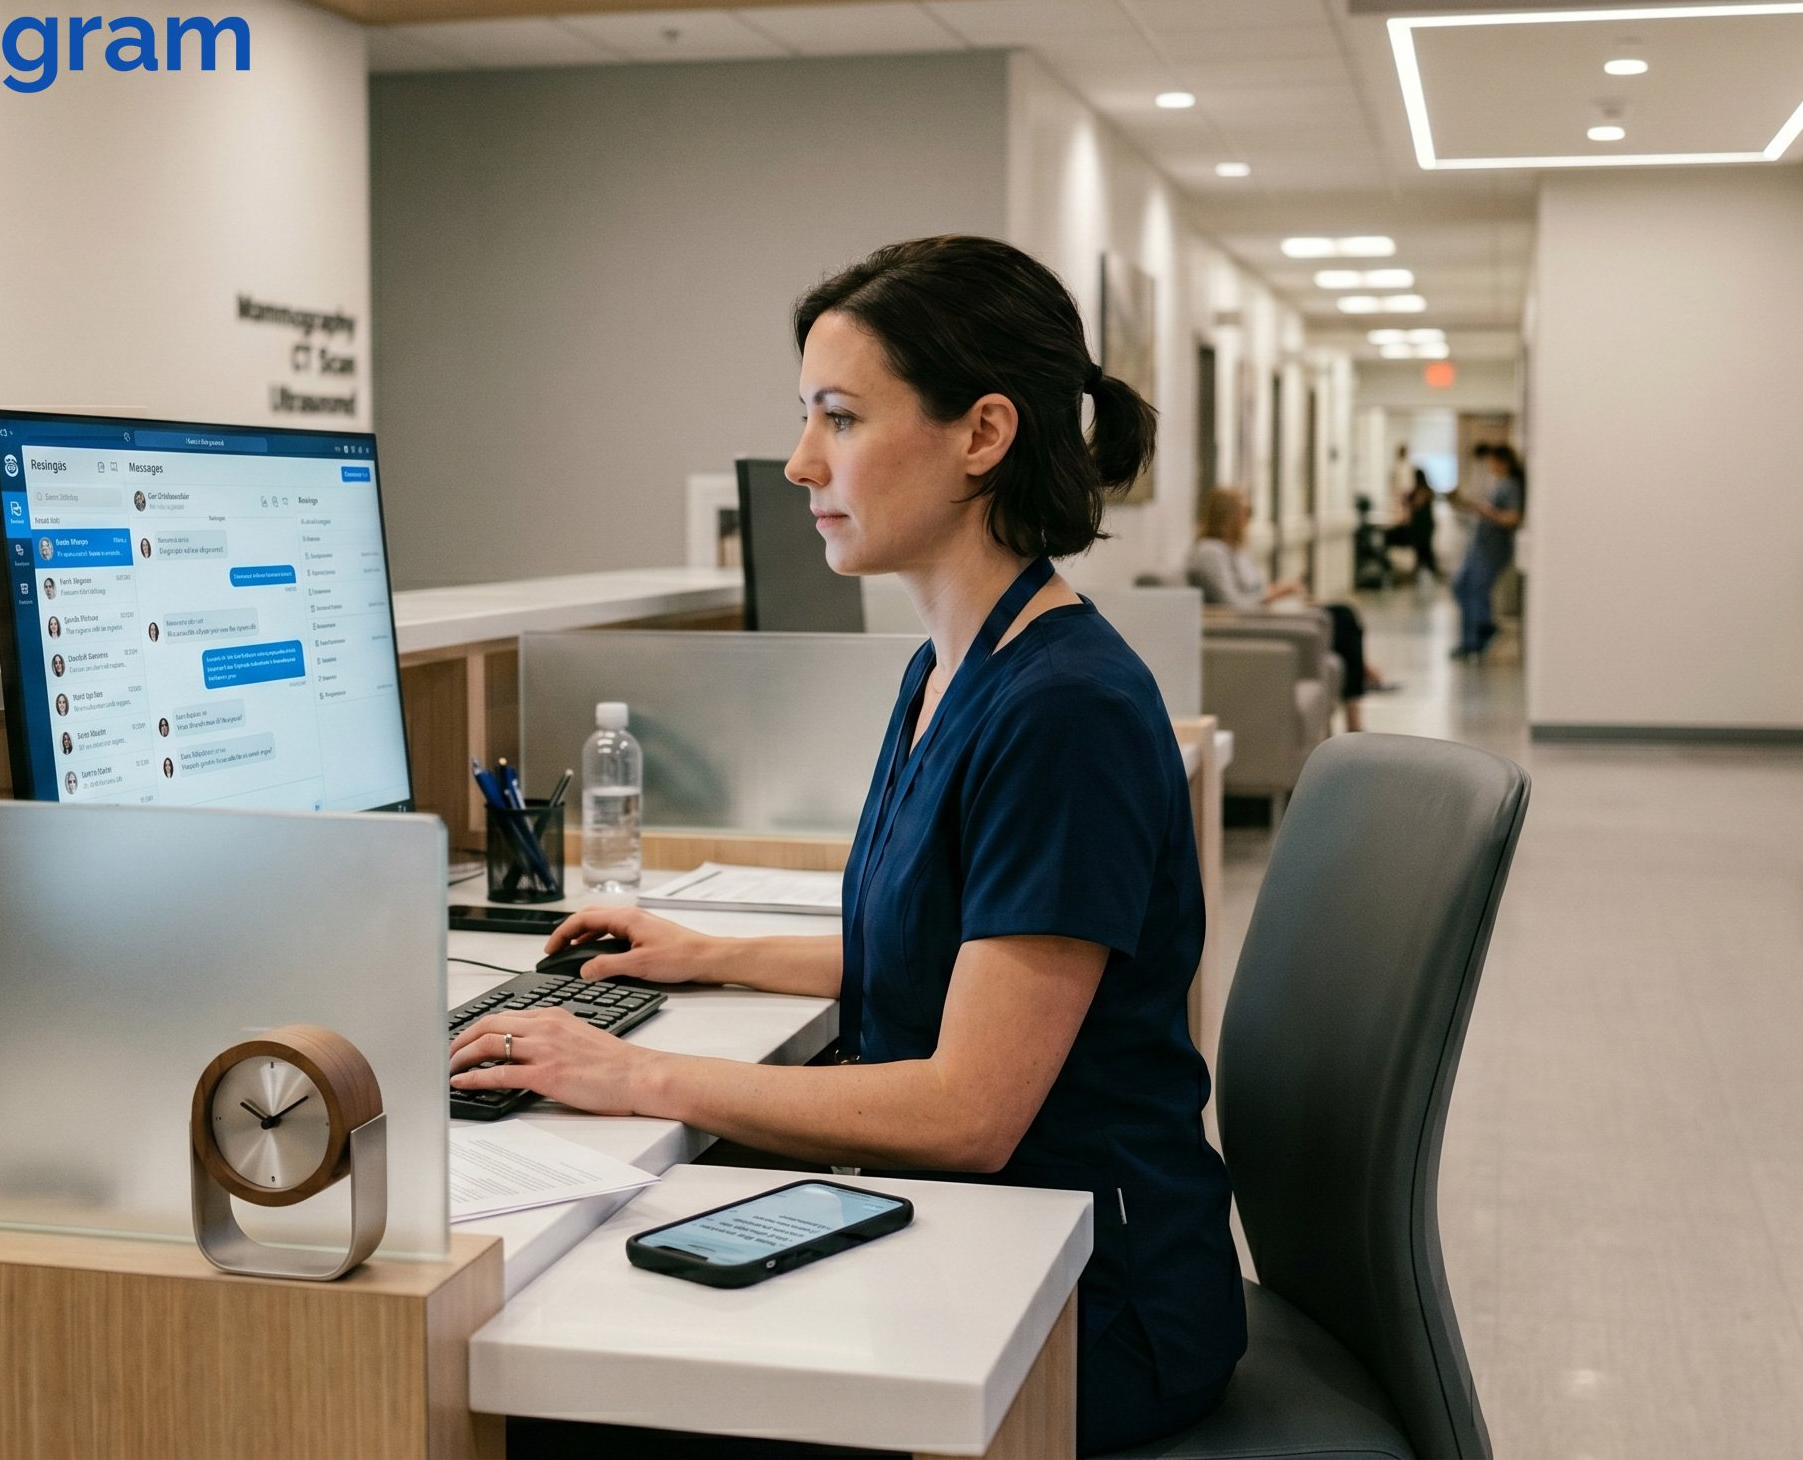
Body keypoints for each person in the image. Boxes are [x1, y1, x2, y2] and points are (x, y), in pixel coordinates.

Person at [452, 236, 1243, 1457]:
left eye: (839, 416)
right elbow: (934, 947)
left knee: (558, 1397)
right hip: (985, 1230)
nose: (799, 460)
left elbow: (969, 1107)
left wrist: (633, 1075)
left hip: (1086, 1302)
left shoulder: (1063, 710)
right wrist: (705, 953)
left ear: (982, 434)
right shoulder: (950, 666)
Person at [1186, 484, 1387, 732]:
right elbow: (1235, 604)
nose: (1248, 519)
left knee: (1344, 615)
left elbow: (1254, 591)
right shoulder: (1210, 553)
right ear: (1229, 517)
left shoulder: (1234, 549)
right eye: (1244, 512)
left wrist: (1281, 593)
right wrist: (1277, 593)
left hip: (1265, 612)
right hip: (1250, 622)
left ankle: (1360, 691)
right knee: (1342, 618)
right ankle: (1357, 707)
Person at [1450, 442, 1525, 659]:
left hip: (1493, 549)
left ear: (1503, 462)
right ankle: (1475, 634)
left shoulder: (1511, 486)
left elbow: (1512, 518)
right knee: (1462, 586)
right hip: (1480, 546)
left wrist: (1484, 510)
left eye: (1492, 461)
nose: (1489, 465)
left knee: (1476, 590)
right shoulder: (1500, 484)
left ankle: (1478, 636)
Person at [1397, 466, 1439, 581]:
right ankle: (1422, 571)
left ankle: (1427, 571)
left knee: (1424, 549)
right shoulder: (1423, 490)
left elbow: (1418, 504)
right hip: (1421, 524)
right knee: (1421, 549)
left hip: (1423, 524)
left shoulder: (1424, 491)